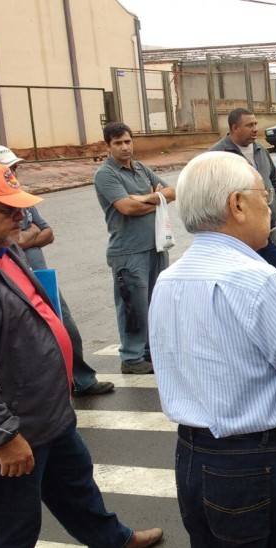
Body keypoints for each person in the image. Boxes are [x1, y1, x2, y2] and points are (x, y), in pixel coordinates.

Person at [148, 151, 276, 548]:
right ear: (236, 204)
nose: (270, 209)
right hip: (256, 463)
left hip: (192, 456)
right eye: (264, 198)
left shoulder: (169, 279)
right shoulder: (260, 282)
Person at [0, 159, 163, 548]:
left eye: (22, 206)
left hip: (47, 413)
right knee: (12, 524)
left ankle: (112, 540)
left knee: (77, 488)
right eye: (9, 209)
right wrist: (3, 438)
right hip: (12, 429)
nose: (22, 217)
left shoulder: (1, 249)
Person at [0, 145, 114, 397]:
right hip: (10, 282)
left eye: (14, 168)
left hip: (39, 277)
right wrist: (26, 236)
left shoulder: (22, 199)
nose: (13, 173)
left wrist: (21, 237)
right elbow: (7, 240)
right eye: (7, 168)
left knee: (65, 325)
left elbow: (48, 233)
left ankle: (82, 379)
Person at [93, 122, 176, 375]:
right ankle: (131, 357)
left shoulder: (140, 169)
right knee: (133, 305)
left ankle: (150, 352)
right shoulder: (106, 174)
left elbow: (172, 192)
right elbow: (126, 208)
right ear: (108, 146)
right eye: (118, 143)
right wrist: (157, 200)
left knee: (155, 301)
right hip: (128, 251)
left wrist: (144, 198)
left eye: (128, 141)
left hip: (156, 246)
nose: (125, 147)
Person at [209, 108, 276, 278]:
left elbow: (273, 179)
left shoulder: (260, 149)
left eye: (255, 124)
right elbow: (212, 194)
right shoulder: (217, 155)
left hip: (270, 227)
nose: (255, 129)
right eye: (249, 125)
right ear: (235, 128)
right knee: (251, 277)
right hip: (241, 234)